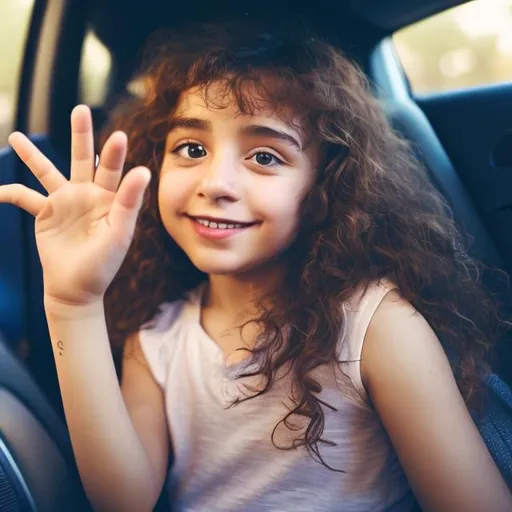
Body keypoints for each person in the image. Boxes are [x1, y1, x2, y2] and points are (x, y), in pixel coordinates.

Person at [1, 19, 511, 512]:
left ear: (323, 189)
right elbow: (123, 500)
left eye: (265, 156)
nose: (216, 182)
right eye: (192, 148)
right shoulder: (158, 339)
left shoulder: (374, 324)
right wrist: (74, 304)